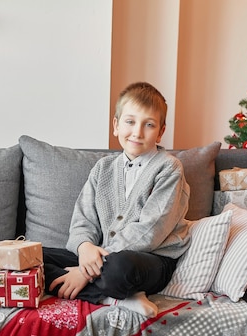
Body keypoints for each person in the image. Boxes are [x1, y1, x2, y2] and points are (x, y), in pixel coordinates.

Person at [43, 82, 191, 317]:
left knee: (119, 269)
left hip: (149, 259)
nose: (137, 132)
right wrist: (85, 248)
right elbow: (83, 219)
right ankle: (114, 298)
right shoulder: (103, 168)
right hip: (100, 255)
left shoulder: (169, 168)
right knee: (33, 258)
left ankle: (97, 284)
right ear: (116, 125)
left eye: (149, 125)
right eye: (130, 122)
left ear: (161, 132)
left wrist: (85, 271)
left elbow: (151, 230)